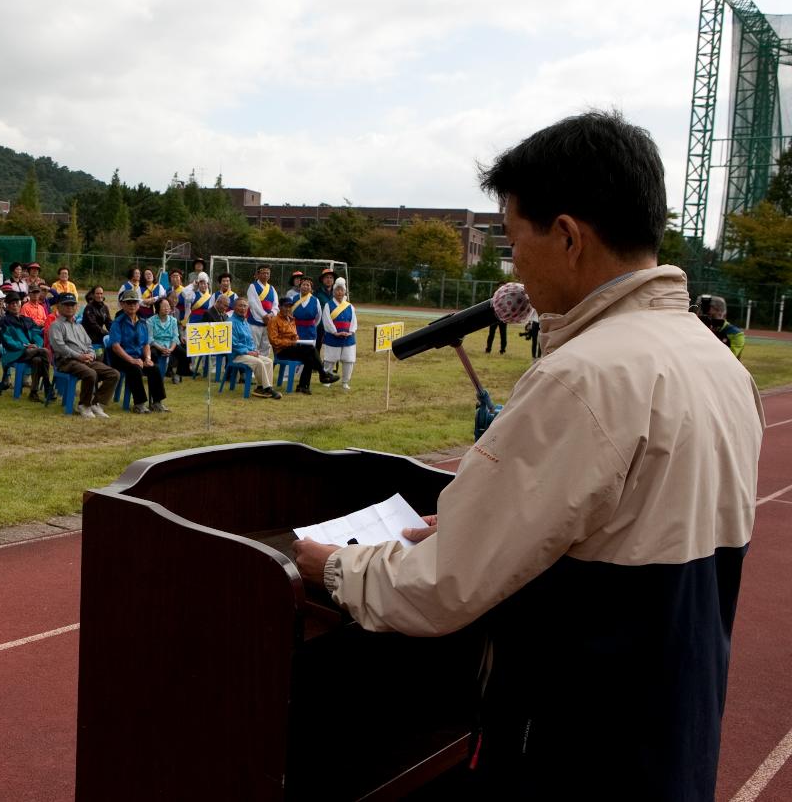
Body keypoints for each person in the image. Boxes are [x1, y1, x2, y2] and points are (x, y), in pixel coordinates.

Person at [292, 111, 765, 800]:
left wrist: (333, 565)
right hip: (674, 736)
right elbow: (616, 530)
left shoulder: (585, 376)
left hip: (579, 749)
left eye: (514, 241)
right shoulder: (717, 362)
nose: (513, 266)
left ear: (568, 236)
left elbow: (442, 585)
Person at [50, 292, 118, 418]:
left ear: (76, 307)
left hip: (84, 359)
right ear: (59, 307)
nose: (70, 307)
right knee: (90, 373)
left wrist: (91, 354)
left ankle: (95, 403)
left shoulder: (79, 326)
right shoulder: (56, 325)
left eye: (72, 305)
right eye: (66, 305)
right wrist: (78, 356)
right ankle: (84, 405)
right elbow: (59, 347)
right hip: (66, 361)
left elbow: (89, 344)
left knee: (113, 374)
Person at [109, 288, 168, 413]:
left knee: (154, 368)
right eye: (128, 303)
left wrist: (147, 358)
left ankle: (157, 402)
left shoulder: (142, 322)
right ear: (123, 304)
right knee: (134, 369)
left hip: (138, 356)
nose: (132, 305)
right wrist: (131, 360)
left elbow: (146, 343)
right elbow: (115, 346)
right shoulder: (118, 323)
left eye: (135, 302)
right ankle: (139, 404)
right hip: (121, 358)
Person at [268, 295, 338, 394]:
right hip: (281, 351)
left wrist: (295, 340)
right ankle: (321, 374)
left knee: (309, 357)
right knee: (310, 350)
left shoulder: (291, 319)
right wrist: (290, 342)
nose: (288, 309)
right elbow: (273, 340)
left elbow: (295, 335)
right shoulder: (274, 321)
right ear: (279, 307)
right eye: (285, 306)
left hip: (293, 348)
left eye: (289, 306)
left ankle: (303, 386)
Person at [0, 291, 53, 403]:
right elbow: (7, 340)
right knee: (44, 352)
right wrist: (24, 346)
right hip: (13, 353)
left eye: (16, 302)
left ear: (20, 304)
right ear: (8, 306)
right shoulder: (5, 321)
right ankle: (48, 386)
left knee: (38, 360)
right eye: (11, 303)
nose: (14, 305)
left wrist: (36, 345)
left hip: (32, 352)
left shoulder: (27, 320)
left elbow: (37, 334)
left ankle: (33, 393)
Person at [228, 299, 279, 398]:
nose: (243, 308)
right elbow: (233, 344)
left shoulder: (245, 322)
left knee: (268, 361)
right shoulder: (230, 322)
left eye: (245, 306)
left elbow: (250, 340)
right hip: (236, 355)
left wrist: (253, 350)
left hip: (247, 354)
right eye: (240, 306)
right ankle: (267, 389)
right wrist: (248, 352)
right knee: (258, 362)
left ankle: (260, 388)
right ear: (234, 307)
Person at [320, 278, 358, 390]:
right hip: (333, 337)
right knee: (329, 359)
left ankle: (345, 382)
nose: (339, 292)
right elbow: (326, 320)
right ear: (334, 291)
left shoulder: (350, 306)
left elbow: (353, 321)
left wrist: (350, 332)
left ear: (344, 291)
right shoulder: (328, 305)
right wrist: (335, 332)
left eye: (341, 290)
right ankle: (327, 379)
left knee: (348, 360)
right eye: (337, 290)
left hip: (348, 338)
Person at [698, 295, 746, 359]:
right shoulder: (698, 329)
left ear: (720, 311)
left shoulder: (735, 334)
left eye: (710, 314)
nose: (704, 314)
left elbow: (731, 358)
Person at [246, 265, 279, 356]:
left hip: (268, 322)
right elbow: (253, 304)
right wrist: (264, 315)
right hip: (255, 321)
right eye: (263, 273)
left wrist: (272, 314)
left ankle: (263, 368)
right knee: (254, 346)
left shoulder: (272, 288)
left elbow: (276, 304)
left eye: (267, 273)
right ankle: (253, 369)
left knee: (266, 346)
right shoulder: (253, 286)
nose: (265, 275)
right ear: (258, 274)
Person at [149, 298, 180, 376]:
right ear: (158, 308)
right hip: (156, 344)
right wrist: (161, 348)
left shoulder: (173, 320)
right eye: (164, 306)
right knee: (154, 353)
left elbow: (175, 337)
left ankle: (178, 374)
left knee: (183, 352)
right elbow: (150, 338)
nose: (167, 308)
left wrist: (171, 349)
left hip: (170, 344)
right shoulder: (150, 321)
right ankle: (155, 374)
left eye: (168, 306)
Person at [290, 278, 323, 348]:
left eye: (308, 285)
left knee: (309, 354)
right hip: (296, 331)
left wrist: (311, 325)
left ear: (311, 288)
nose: (305, 287)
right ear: (299, 287)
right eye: (303, 284)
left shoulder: (315, 300)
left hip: (310, 332)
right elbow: (289, 315)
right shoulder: (293, 299)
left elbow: (318, 317)